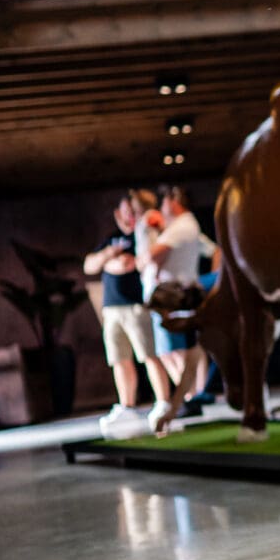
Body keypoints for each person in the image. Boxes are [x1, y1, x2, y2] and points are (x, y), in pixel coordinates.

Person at [84, 194, 172, 438]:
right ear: (118, 214)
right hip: (111, 310)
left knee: (149, 355)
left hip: (136, 306)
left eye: (134, 211)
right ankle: (127, 406)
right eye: (126, 211)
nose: (130, 216)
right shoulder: (111, 239)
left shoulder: (143, 235)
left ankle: (163, 401)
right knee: (119, 359)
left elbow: (128, 264)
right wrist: (107, 256)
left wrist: (110, 263)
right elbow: (89, 265)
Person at [140, 185, 210, 422]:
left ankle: (189, 399)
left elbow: (150, 256)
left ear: (173, 201)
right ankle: (187, 400)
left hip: (173, 297)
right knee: (173, 352)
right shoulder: (178, 227)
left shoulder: (183, 225)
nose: (161, 207)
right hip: (170, 297)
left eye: (164, 202)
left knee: (178, 351)